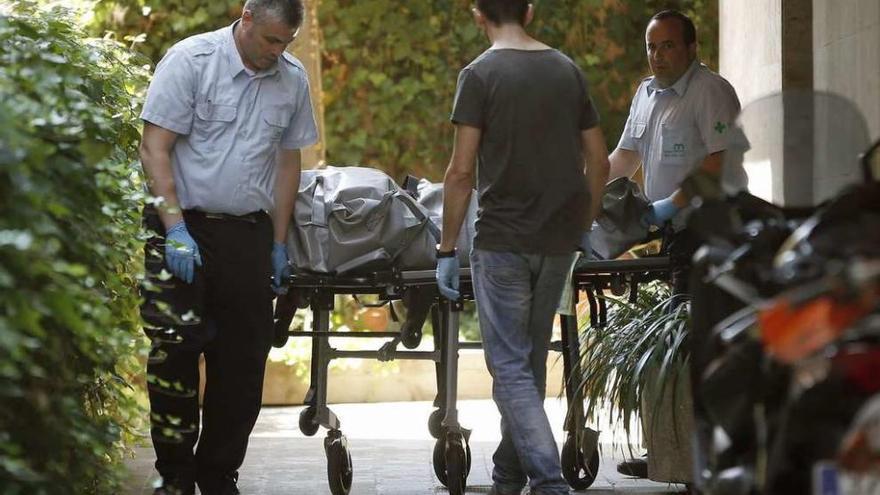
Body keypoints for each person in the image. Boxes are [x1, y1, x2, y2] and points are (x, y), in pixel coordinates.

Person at [137, 0, 317, 492]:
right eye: (270, 40)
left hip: (247, 235)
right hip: (181, 227)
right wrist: (173, 228)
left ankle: (219, 474)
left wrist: (279, 244)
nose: (277, 52)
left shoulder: (292, 78)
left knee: (242, 362)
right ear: (246, 19)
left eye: (286, 43)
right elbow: (155, 147)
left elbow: (287, 164)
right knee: (174, 352)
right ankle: (175, 475)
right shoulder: (191, 61)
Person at [435, 1, 610, 494]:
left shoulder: (479, 75)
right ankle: (507, 475)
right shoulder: (566, 70)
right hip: (557, 241)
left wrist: (447, 248)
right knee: (527, 363)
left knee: (510, 367)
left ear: (477, 14)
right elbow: (598, 161)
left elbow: (462, 171)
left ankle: (549, 481)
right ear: (529, 12)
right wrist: (584, 224)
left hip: (503, 241)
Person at [608, 10, 743, 478]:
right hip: (671, 232)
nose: (657, 55)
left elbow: (720, 161)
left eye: (667, 46)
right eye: (651, 46)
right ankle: (672, 449)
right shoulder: (646, 94)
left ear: (691, 48)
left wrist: (668, 203)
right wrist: (584, 192)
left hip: (711, 228)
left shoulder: (711, 92)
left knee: (701, 340)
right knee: (674, 339)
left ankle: (705, 455)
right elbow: (625, 157)